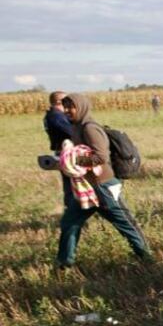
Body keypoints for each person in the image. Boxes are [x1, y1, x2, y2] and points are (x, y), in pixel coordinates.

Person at [56, 93, 152, 268]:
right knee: (70, 222)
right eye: (65, 107)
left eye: (71, 106)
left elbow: (101, 157)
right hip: (87, 187)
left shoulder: (90, 128)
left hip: (103, 185)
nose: (68, 110)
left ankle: (147, 257)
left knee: (124, 223)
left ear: (82, 107)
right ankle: (64, 264)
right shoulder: (76, 127)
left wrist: (73, 162)